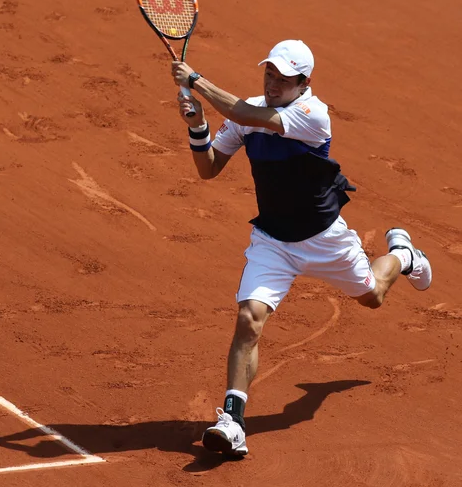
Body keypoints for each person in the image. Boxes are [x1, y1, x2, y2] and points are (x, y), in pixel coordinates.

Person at [171, 39, 432, 457]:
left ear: (304, 83)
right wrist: (198, 126)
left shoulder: (313, 114)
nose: (273, 84)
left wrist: (196, 80)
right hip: (273, 241)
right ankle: (232, 421)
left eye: (284, 79)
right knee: (248, 319)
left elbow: (241, 111)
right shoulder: (248, 112)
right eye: (269, 74)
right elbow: (208, 169)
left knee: (372, 296)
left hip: (326, 240)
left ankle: (403, 255)